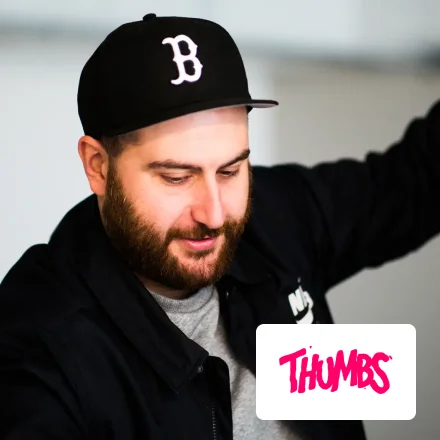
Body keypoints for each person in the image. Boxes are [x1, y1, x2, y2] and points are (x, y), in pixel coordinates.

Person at [0, 12, 439, 440]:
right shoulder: (37, 346)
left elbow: (415, 181)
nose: (213, 215)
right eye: (176, 177)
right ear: (98, 165)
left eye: (230, 171)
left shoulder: (277, 216)